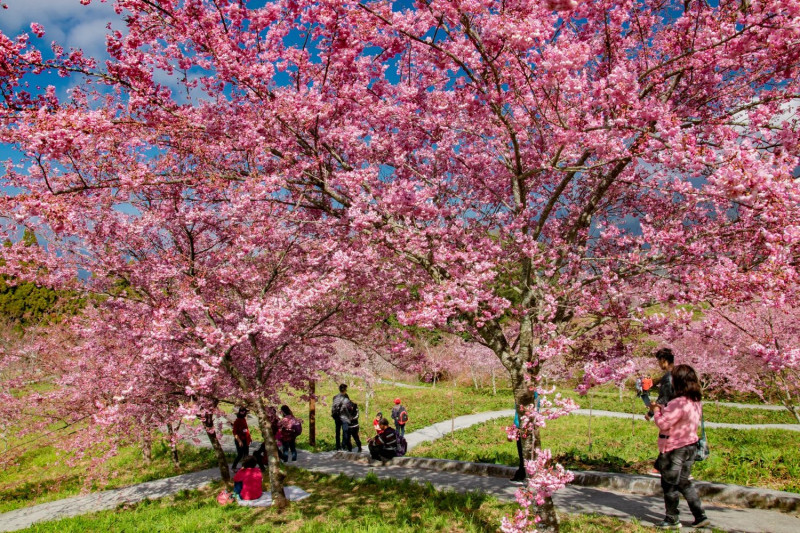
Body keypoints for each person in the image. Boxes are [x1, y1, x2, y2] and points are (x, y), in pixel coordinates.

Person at [652, 364, 710, 530]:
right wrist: (663, 409)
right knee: (684, 482)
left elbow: (663, 423)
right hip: (690, 446)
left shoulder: (678, 402)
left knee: (669, 484)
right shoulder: (695, 401)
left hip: (674, 448)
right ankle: (700, 516)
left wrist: (656, 410)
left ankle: (672, 519)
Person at [644, 348, 676, 421]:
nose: (658, 363)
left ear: (663, 360)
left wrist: (651, 412)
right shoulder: (680, 373)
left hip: (669, 415)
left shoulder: (668, 377)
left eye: (658, 361)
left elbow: (665, 397)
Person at [331, 383, 351, 450]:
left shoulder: (335, 397)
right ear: (345, 390)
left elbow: (333, 407)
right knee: (345, 431)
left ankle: (338, 446)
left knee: (338, 432)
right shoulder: (346, 397)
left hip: (337, 416)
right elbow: (348, 407)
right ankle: (343, 446)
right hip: (344, 417)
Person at [231, 406, 252, 472]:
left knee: (246, 454)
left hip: (245, 439)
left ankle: (245, 467)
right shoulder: (237, 421)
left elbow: (246, 430)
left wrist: (249, 438)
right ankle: (233, 467)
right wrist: (239, 441)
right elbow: (235, 432)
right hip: (239, 440)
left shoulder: (243, 419)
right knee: (240, 454)